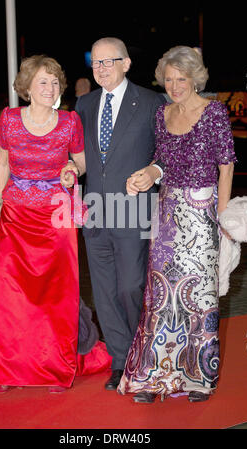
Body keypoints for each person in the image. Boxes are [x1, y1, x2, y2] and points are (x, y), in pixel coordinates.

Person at [0, 55, 111, 393]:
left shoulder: (69, 122)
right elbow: (2, 164)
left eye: (55, 82)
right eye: (43, 81)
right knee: (3, 291)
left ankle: (52, 364)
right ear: (27, 87)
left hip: (56, 217)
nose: (50, 87)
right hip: (16, 213)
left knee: (53, 294)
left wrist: (72, 169)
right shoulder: (9, 119)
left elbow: (82, 163)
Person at [117, 45, 237, 403]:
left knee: (198, 297)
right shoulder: (163, 113)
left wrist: (224, 217)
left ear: (195, 79)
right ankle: (154, 374)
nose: (174, 85)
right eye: (168, 79)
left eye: (181, 79)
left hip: (201, 215)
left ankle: (199, 375)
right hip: (167, 213)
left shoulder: (214, 112)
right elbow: (162, 161)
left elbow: (226, 166)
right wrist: (147, 174)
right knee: (160, 295)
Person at [60, 37, 166, 391]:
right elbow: (82, 155)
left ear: (126, 64)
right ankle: (121, 362)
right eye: (96, 63)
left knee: (132, 286)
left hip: (134, 210)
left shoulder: (151, 102)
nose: (102, 68)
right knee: (104, 291)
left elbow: (168, 151)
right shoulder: (85, 103)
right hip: (95, 211)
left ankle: (144, 354)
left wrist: (154, 171)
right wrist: (72, 170)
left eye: (109, 61)